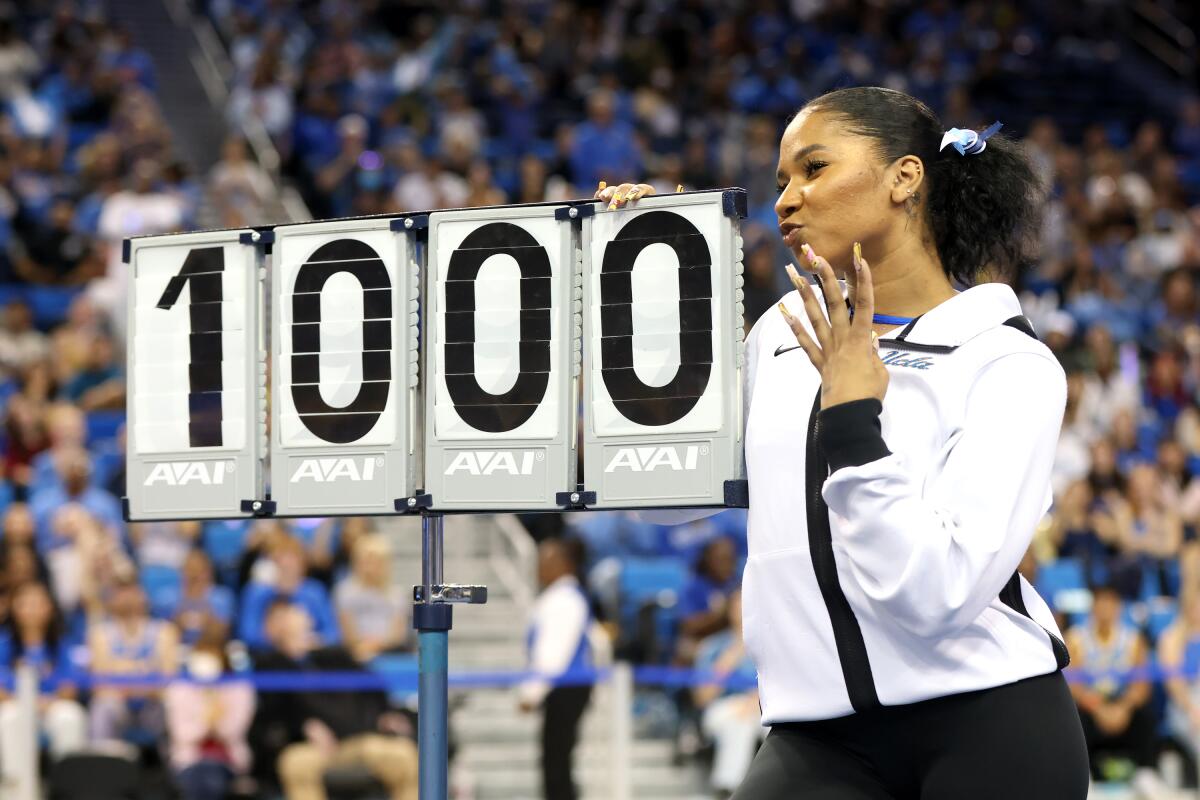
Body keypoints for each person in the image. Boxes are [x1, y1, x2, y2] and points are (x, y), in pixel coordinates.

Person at [600, 85, 1089, 798]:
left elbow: (938, 593)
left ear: (905, 178)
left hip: (988, 726)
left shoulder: (1007, 363)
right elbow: (655, 499)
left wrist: (854, 420)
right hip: (814, 736)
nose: (786, 200)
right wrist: (649, 288)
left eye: (814, 168)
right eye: (781, 182)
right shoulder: (779, 336)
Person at [250, 601, 417, 800]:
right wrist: (302, 725)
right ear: (268, 628)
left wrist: (385, 714)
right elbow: (273, 711)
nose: (289, 624)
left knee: (403, 755)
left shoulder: (333, 655)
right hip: (310, 747)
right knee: (295, 764)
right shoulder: (268, 664)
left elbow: (373, 685)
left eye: (293, 616)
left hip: (359, 739)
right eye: (281, 620)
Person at [518, 538, 598, 800]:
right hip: (566, 687)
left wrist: (532, 693)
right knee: (557, 760)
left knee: (556, 762)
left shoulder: (564, 599)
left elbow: (553, 654)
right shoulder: (561, 597)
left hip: (565, 688)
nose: (538, 568)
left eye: (544, 561)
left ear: (563, 564)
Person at [1065, 584, 1157, 781]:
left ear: (1119, 607)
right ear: (1093, 607)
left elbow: (1142, 685)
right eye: (1101, 603)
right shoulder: (1076, 638)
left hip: (1121, 702)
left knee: (1145, 716)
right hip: (1092, 705)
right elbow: (1074, 686)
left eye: (1110, 603)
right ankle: (1084, 777)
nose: (1105, 609)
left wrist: (1123, 707)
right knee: (1075, 718)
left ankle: (1147, 774)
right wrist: (1099, 709)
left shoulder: (1133, 640)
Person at [0, 582, 87, 781]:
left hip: (50, 707)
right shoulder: (3, 644)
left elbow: (69, 689)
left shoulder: (61, 645)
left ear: (49, 607)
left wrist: (46, 703)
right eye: (25, 604)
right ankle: (16, 786)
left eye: (37, 603)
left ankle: (67, 784)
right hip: (14, 706)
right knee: (8, 717)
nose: (31, 610)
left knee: (70, 716)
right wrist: (24, 703)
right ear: (14, 607)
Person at [164, 624, 256, 800]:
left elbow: (230, 732)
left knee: (211, 777)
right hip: (189, 760)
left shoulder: (239, 689)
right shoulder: (180, 689)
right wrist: (207, 716)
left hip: (229, 761)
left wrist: (216, 703)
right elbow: (183, 735)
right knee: (201, 777)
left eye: (212, 654)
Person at [88, 577, 180, 747]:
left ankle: (176, 763)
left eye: (132, 591)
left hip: (153, 702)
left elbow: (169, 679)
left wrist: (139, 685)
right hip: (117, 702)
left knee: (174, 704)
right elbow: (99, 683)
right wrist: (138, 678)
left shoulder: (164, 631)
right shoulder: (100, 634)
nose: (127, 598)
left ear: (143, 595)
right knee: (103, 707)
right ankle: (102, 762)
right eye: (121, 592)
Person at [692, 591, 761, 798]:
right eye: (737, 606)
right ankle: (727, 790)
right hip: (724, 707)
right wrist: (735, 649)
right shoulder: (712, 646)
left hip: (764, 705)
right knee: (738, 724)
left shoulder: (769, 643)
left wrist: (754, 701)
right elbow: (702, 697)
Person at [238, 533, 339, 649]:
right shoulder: (256, 592)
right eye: (280, 558)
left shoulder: (314, 592)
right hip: (268, 655)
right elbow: (248, 634)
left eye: (292, 557)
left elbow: (332, 634)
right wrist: (280, 637)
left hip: (310, 653)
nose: (286, 563)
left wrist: (313, 640)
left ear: (302, 562)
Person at [333, 533, 409, 662]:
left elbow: (398, 635)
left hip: (390, 654)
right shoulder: (344, 591)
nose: (371, 566)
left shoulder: (397, 594)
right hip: (354, 655)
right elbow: (347, 632)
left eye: (377, 560)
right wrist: (363, 647)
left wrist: (376, 646)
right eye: (367, 560)